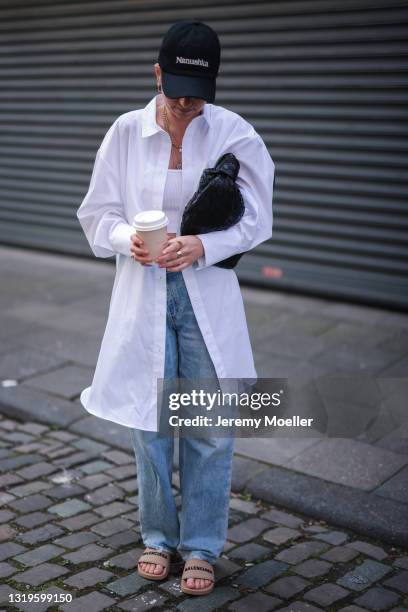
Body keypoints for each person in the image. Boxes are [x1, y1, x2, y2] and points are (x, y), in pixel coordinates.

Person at [76, 19, 275, 597]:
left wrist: (205, 246)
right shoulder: (124, 133)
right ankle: (158, 538)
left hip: (205, 294)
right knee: (151, 423)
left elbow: (258, 218)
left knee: (210, 427)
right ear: (157, 73)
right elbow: (97, 213)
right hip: (142, 294)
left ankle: (203, 548)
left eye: (198, 97)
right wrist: (125, 242)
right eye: (177, 93)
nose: (186, 107)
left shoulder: (236, 133)